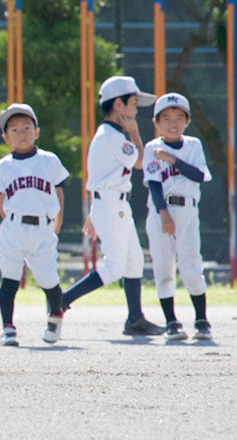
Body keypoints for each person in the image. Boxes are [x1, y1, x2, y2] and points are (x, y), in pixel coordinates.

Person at [61, 76, 165, 336]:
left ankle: (134, 319)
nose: (136, 109)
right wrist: (134, 132)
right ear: (118, 105)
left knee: (134, 261)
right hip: (111, 204)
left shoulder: (108, 134)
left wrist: (94, 212)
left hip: (112, 204)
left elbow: (97, 175)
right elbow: (141, 162)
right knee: (115, 266)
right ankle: (61, 300)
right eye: (132, 103)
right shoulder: (112, 135)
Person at [0, 104, 69, 346]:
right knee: (10, 278)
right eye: (14, 129)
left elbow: (59, 194)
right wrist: (12, 224)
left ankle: (55, 316)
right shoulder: (3, 166)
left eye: (27, 127)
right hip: (13, 229)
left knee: (47, 279)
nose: (21, 133)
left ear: (37, 131)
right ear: (6, 138)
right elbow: (1, 202)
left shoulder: (49, 160)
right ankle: (8, 328)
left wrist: (56, 223)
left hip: (43, 228)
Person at [141, 93, 213, 341]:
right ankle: (171, 322)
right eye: (167, 118)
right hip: (162, 212)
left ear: (187, 120)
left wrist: (171, 159)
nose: (173, 123)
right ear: (156, 122)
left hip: (188, 210)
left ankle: (202, 320)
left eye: (179, 117)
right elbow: (153, 184)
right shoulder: (152, 148)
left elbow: (198, 175)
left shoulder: (192, 145)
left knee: (192, 264)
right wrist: (163, 214)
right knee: (163, 267)